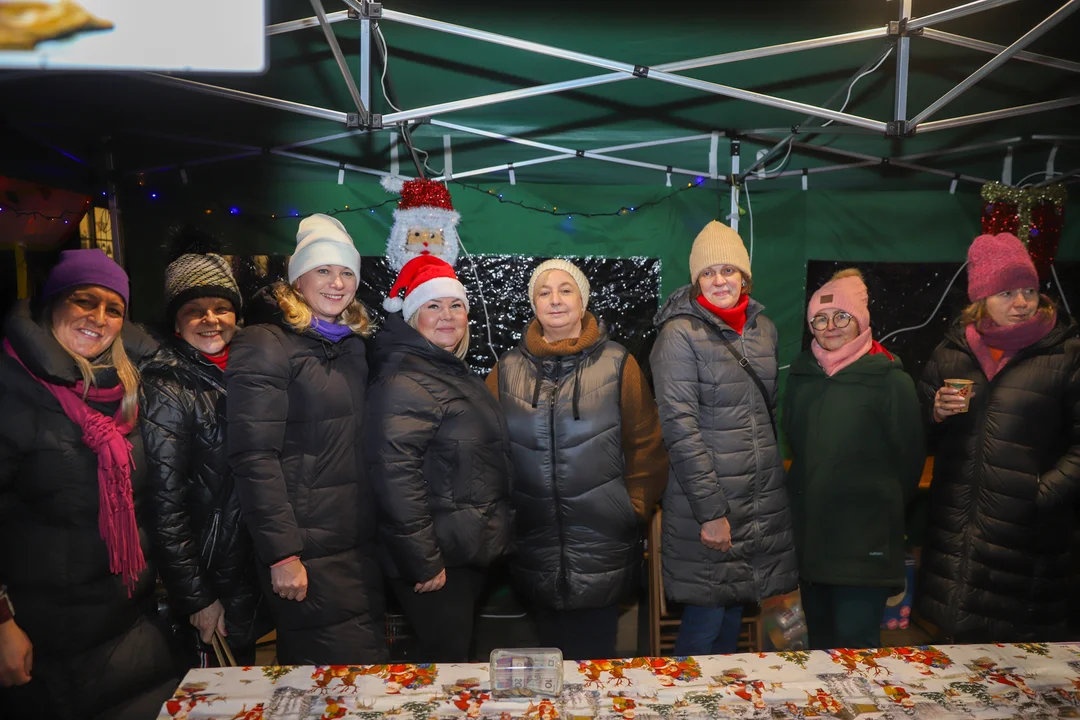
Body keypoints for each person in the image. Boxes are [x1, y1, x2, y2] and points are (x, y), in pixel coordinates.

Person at [0, 249, 179, 719]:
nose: (98, 319)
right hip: (44, 644)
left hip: (126, 625)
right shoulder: (12, 389)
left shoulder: (123, 391)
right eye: (84, 301)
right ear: (52, 304)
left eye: (113, 308)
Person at [486, 259, 668, 660]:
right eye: (544, 292)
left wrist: (631, 507)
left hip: (604, 541)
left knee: (595, 667)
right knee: (549, 664)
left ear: (582, 302)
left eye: (566, 290)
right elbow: (487, 453)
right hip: (534, 544)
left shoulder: (619, 364)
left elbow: (646, 445)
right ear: (533, 304)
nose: (555, 300)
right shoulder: (506, 370)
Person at [226, 214, 387, 664]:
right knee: (336, 676)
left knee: (354, 679)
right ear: (297, 280)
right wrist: (282, 554)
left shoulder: (351, 345)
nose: (337, 283)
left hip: (356, 543)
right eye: (323, 270)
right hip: (307, 551)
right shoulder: (265, 344)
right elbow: (252, 455)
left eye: (347, 272)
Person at [918, 232, 1080, 643]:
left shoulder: (1065, 353)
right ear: (980, 299)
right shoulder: (952, 351)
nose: (1022, 302)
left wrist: (1039, 494)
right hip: (958, 534)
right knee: (957, 661)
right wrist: (934, 412)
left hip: (1028, 542)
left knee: (1024, 668)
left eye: (1029, 290)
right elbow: (917, 426)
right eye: (1006, 292)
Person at [651, 220, 797, 656]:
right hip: (709, 505)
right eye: (708, 272)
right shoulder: (679, 334)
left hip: (758, 504)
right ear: (696, 280)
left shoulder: (764, 330)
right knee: (704, 625)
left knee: (734, 618)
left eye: (729, 270)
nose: (719, 280)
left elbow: (767, 415)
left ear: (745, 276)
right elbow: (680, 427)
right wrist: (712, 513)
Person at [366, 256, 513, 662]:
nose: (446, 316)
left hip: (460, 551)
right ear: (413, 316)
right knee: (443, 674)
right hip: (436, 561)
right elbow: (394, 478)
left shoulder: (446, 371)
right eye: (433, 306)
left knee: (452, 668)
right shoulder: (404, 379)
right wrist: (424, 562)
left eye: (455, 305)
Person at [783, 269, 925, 650]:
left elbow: (909, 465)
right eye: (820, 318)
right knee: (819, 649)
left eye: (841, 317)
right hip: (813, 544)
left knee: (856, 653)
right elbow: (796, 443)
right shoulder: (801, 375)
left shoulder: (891, 381)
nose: (830, 326)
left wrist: (874, 505)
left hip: (865, 545)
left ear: (861, 321)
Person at [140, 246, 267, 666]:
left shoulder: (245, 373)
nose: (210, 320)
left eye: (221, 308)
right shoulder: (168, 387)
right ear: (176, 321)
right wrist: (197, 597)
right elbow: (165, 505)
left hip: (243, 567)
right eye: (195, 310)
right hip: (210, 573)